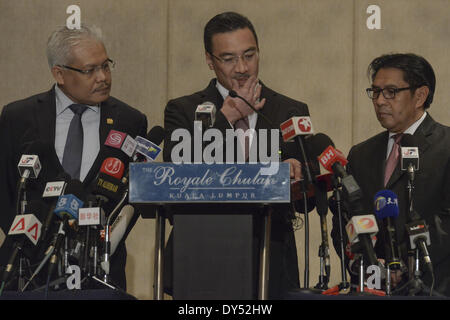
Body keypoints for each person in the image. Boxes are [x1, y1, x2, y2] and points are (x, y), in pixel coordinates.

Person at [163, 11, 311, 299]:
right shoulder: (182, 110)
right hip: (201, 255)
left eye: (249, 55)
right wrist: (226, 117)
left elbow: (306, 199)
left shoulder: (289, 110)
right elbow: (176, 176)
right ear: (209, 60)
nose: (242, 67)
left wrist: (298, 173)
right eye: (229, 58)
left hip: (271, 256)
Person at [0, 25, 147, 292]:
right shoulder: (17, 117)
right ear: (60, 74)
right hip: (27, 271)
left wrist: (99, 244)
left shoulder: (130, 121)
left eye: (106, 66)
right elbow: (6, 191)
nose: (103, 77)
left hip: (101, 271)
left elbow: (130, 200)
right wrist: (37, 242)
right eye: (90, 70)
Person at [331, 53, 450, 295]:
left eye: (391, 92)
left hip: (433, 286)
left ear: (420, 95)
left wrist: (407, 261)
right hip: (371, 287)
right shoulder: (361, 153)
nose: (380, 101)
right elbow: (345, 217)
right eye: (375, 92)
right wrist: (367, 261)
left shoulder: (446, 146)